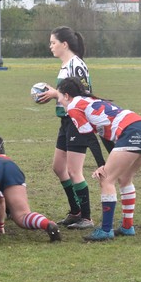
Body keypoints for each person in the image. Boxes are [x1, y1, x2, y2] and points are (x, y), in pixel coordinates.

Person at [56, 77, 141, 241]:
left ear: (67, 96)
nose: (60, 101)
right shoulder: (90, 100)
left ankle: (105, 230)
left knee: (106, 179)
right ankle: (127, 227)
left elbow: (90, 138)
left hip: (131, 131)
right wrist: (106, 163)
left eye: (59, 97)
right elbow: (105, 135)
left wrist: (102, 166)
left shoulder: (74, 106)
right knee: (124, 178)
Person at [34, 26, 106, 230]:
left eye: (53, 42)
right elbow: (68, 94)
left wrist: (55, 94)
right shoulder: (65, 65)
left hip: (77, 120)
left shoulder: (77, 65)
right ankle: (75, 212)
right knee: (59, 167)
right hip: (66, 121)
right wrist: (54, 94)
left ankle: (86, 217)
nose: (50, 46)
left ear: (64, 44)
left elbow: (84, 95)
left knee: (74, 171)